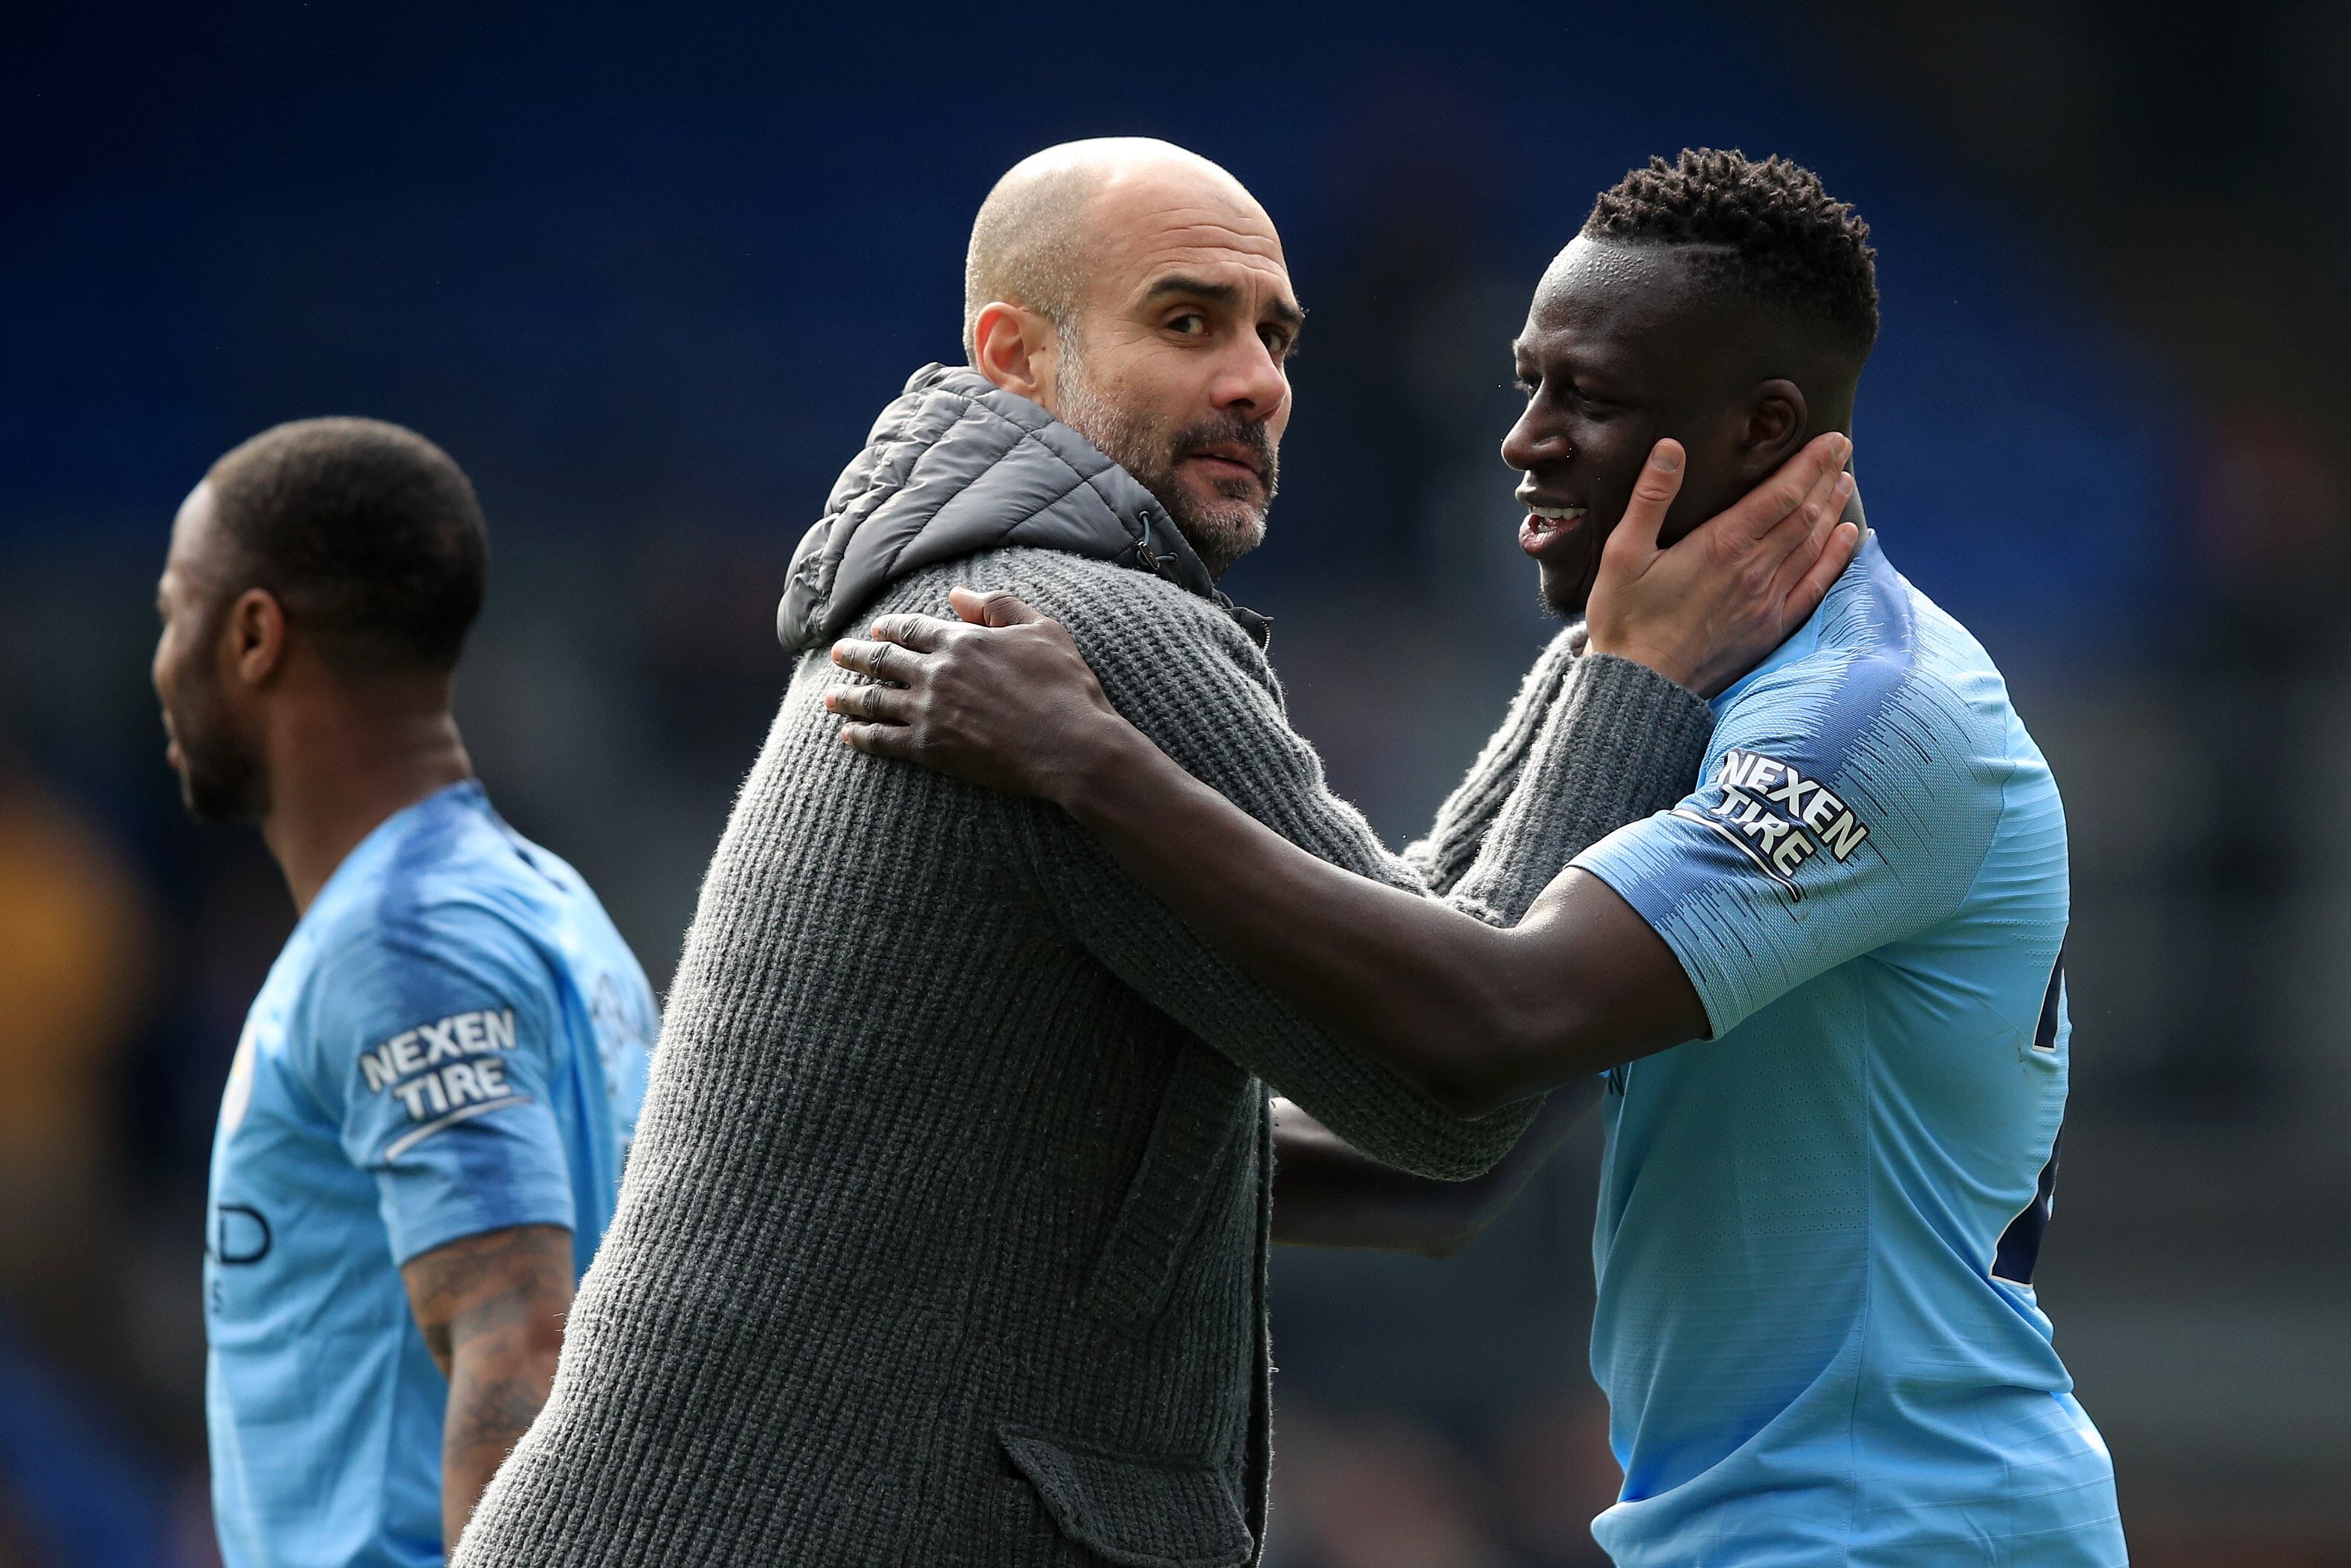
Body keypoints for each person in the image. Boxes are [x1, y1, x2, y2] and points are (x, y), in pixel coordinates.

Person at [455, 139, 1853, 1568]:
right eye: (1187, 322)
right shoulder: (1077, 625)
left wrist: (1598, 654)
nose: (1254, 378)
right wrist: (1637, 671)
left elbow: (1418, 1027)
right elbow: (1450, 1079)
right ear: (1014, 355)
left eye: (1275, 333)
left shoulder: (971, 591)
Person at [827, 149, 2126, 1566]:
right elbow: (1432, 1172)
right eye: (1528, 384)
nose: (1524, 438)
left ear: (1762, 430)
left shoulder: (1870, 722)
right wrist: (986, 1179)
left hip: (1902, 1533)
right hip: (1756, 1529)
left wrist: (1086, 761)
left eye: (1593, 398)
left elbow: (1483, 1025)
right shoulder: (1696, 691)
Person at [153, 418, 657, 1568]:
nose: (159, 661)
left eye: (173, 612)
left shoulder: (405, 940)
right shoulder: (548, 902)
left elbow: (519, 1340)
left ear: (252, 634)